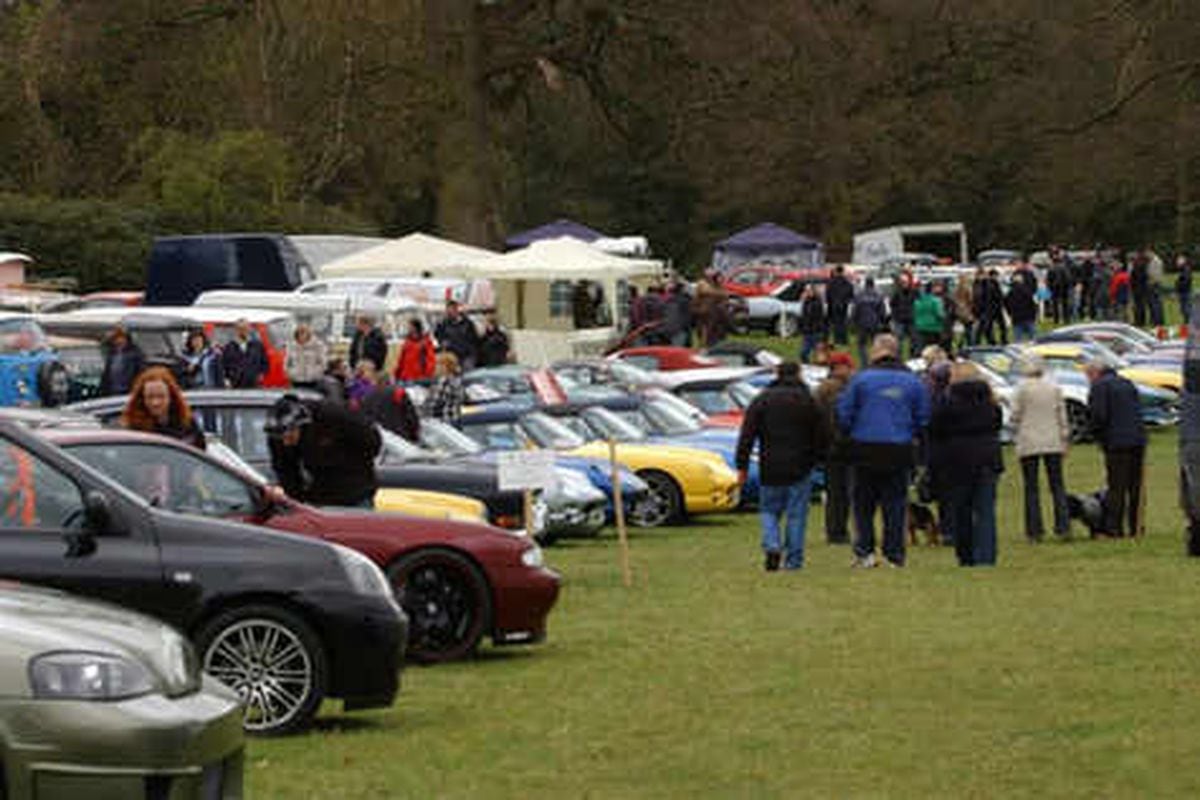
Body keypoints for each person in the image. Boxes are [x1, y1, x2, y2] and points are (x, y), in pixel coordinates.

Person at [837, 334, 930, 568]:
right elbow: (923, 418)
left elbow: (844, 414)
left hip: (864, 449)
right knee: (895, 505)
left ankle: (865, 552)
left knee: (862, 505)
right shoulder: (913, 382)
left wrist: (849, 435)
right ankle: (894, 555)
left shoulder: (861, 380)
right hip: (899, 449)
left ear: (875, 351)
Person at [735, 361, 826, 571]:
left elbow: (746, 436)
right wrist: (818, 459)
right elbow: (822, 435)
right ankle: (793, 561)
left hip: (770, 465)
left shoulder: (762, 400)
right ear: (799, 374)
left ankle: (772, 545)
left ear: (776, 374)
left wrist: (742, 466)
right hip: (801, 466)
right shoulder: (808, 400)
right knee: (796, 515)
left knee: (768, 511)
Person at [930, 363, 1003, 566]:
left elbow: (934, 428)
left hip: (957, 460)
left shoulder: (947, 402)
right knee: (986, 510)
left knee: (962, 510)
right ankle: (987, 555)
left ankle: (966, 554)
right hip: (987, 459)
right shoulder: (990, 402)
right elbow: (997, 424)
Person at [265, 394, 382, 508]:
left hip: (356, 492)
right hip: (320, 496)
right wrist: (296, 501)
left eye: (290, 437)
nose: (286, 442)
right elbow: (285, 470)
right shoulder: (277, 434)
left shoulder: (332, 416)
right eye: (282, 439)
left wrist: (351, 463)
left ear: (301, 425)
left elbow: (372, 441)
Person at [1012, 354, 1071, 542]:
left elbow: (1015, 416)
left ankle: (1034, 531)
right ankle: (1063, 527)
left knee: (1031, 487)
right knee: (1057, 486)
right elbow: (1062, 416)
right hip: (1052, 440)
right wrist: (1064, 438)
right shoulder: (1054, 388)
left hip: (1029, 441)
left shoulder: (1021, 389)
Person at [1086, 357, 1146, 537]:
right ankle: (1136, 526)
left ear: (1094, 373)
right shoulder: (1127, 383)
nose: (1088, 380)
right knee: (1135, 486)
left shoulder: (1099, 386)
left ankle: (1115, 528)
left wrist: (1096, 436)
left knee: (1116, 487)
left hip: (1116, 443)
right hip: (1137, 440)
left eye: (1088, 376)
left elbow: (1099, 416)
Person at [815, 351, 855, 544]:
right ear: (839, 368)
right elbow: (836, 420)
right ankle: (837, 532)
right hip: (840, 446)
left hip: (828, 447)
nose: (852, 370)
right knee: (841, 493)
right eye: (848, 366)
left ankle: (836, 530)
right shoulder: (838, 390)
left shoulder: (822, 388)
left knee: (835, 492)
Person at [120, 366, 206, 449]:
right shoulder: (135, 429)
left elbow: (200, 453)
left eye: (161, 396)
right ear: (142, 399)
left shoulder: (187, 423)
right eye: (150, 397)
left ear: (171, 397)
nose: (155, 403)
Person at [849, 277, 887, 366]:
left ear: (865, 284)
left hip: (862, 323)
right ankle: (876, 362)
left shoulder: (859, 295)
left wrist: (852, 322)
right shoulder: (878, 295)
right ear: (873, 284)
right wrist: (884, 321)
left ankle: (865, 363)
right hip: (875, 323)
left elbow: (855, 310)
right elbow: (882, 311)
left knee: (862, 345)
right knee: (876, 344)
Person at [100, 325, 145, 397]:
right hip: (112, 391)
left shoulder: (135, 354)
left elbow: (140, 373)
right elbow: (106, 374)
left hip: (127, 391)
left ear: (126, 339)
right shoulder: (111, 354)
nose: (119, 341)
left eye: (121, 338)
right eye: (116, 339)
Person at [434, 300, 480, 371]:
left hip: (467, 355)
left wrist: (473, 353)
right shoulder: (443, 324)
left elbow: (475, 339)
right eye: (448, 310)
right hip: (452, 356)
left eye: (451, 310)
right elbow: (438, 336)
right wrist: (443, 342)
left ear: (456, 309)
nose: (449, 313)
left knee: (467, 374)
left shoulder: (467, 323)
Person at [222, 319, 268, 388]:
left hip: (253, 384)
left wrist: (261, 375)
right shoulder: (229, 347)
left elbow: (264, 362)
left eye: (245, 328)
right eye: (240, 329)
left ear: (249, 329)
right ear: (236, 330)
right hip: (235, 384)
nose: (243, 331)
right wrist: (227, 380)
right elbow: (224, 365)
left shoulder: (258, 346)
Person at [424, 351, 466, 426]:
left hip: (442, 423)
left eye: (436, 364)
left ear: (444, 366)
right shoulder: (457, 380)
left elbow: (432, 404)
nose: (434, 367)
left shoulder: (443, 381)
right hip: (454, 420)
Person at [284, 323, 327, 390]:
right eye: (299, 334)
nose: (301, 337)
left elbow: (323, 363)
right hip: (296, 379)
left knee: (310, 399)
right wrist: (290, 373)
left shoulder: (317, 345)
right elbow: (287, 362)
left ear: (308, 335)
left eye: (303, 334)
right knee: (296, 398)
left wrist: (316, 373)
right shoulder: (291, 346)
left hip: (312, 380)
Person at [393, 318, 437, 382]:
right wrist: (396, 373)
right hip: (405, 376)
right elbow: (401, 359)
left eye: (410, 326)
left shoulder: (425, 342)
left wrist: (427, 376)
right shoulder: (407, 342)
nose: (408, 328)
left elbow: (431, 360)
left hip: (419, 377)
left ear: (415, 327)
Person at [889, 271, 917, 358]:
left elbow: (918, 303)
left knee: (914, 341)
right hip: (899, 320)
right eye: (903, 282)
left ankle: (912, 358)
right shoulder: (897, 292)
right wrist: (895, 315)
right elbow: (892, 304)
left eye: (906, 282)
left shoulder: (914, 292)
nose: (904, 284)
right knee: (898, 341)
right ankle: (898, 359)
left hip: (911, 320)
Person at [912, 282, 945, 353]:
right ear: (931, 289)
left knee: (922, 349)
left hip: (920, 328)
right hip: (934, 329)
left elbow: (914, 313)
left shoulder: (917, 301)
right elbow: (940, 314)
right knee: (934, 350)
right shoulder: (936, 301)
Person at [826, 266, 854, 345]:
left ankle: (837, 340)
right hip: (844, 305)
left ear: (836, 272)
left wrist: (830, 302)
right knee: (843, 322)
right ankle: (844, 339)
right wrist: (846, 300)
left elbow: (828, 295)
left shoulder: (831, 283)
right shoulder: (847, 283)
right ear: (843, 272)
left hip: (834, 305)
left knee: (836, 323)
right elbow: (851, 295)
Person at [798, 285, 826, 363]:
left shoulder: (817, 302)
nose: (806, 293)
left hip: (816, 331)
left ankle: (820, 366)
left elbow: (816, 317)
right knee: (803, 353)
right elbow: (804, 316)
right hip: (807, 331)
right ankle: (807, 364)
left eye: (809, 291)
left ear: (814, 292)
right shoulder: (806, 302)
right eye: (806, 291)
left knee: (818, 353)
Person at [1005, 275, 1038, 343]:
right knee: (1033, 339)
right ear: (1021, 281)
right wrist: (1034, 314)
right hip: (1029, 316)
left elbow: (1007, 305)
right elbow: (1032, 303)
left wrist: (1010, 313)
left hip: (1016, 317)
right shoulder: (1027, 290)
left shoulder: (1010, 293)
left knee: (1018, 339)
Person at [1176, 255, 1193, 324]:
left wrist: (1178, 284)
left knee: (1186, 308)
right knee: (1184, 308)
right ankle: (1187, 322)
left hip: (1185, 292)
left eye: (1178, 261)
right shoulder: (1184, 269)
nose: (1177, 263)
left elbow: (1186, 281)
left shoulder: (1186, 269)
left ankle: (1188, 322)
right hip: (1184, 291)